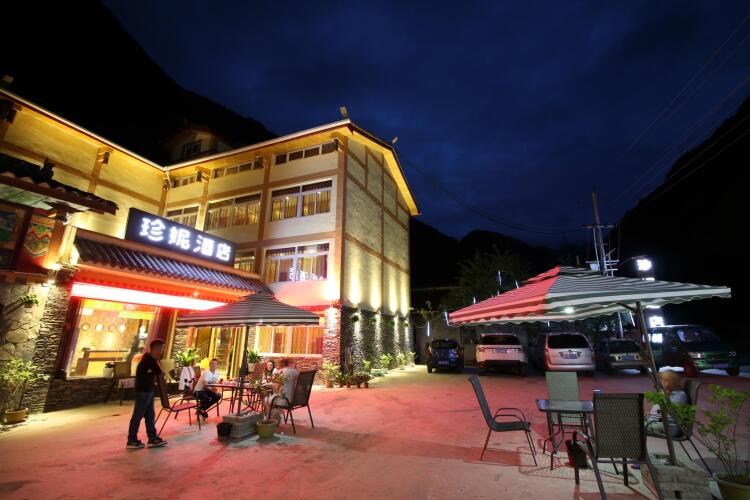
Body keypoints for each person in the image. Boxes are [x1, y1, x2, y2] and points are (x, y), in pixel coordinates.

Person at [126, 339, 167, 450]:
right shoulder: (149, 360)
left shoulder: (150, 359)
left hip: (148, 391)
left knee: (150, 416)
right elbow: (160, 372)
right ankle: (131, 440)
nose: (162, 351)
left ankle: (152, 438)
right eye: (162, 348)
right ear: (156, 349)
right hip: (143, 392)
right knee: (138, 415)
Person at [646, 370, 688, 438]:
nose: (661, 383)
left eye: (664, 381)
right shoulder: (665, 393)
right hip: (655, 423)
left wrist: (665, 397)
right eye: (661, 380)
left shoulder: (680, 395)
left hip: (667, 428)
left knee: (635, 427)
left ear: (671, 382)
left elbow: (668, 412)